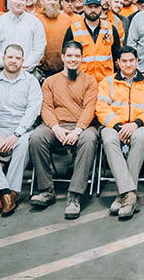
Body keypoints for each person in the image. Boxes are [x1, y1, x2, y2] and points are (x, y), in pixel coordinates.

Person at [29, 41, 99, 219]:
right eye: (69, 56)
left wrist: (77, 130)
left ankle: (74, 195)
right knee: (36, 137)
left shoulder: (90, 81)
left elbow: (89, 108)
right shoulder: (50, 81)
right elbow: (46, 107)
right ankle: (46, 190)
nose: (73, 59)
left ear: (82, 58)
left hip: (82, 127)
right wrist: (55, 127)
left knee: (90, 140)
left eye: (77, 56)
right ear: (63, 57)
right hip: (56, 126)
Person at [96, 46, 144, 219]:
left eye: (131, 60)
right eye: (124, 61)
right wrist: (119, 126)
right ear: (117, 63)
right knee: (109, 139)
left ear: (137, 61)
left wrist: (136, 124)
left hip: (138, 126)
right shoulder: (107, 82)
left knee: (141, 137)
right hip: (113, 127)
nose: (128, 64)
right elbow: (101, 108)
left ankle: (123, 195)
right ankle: (130, 194)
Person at [0, 44, 42, 217]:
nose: (13, 61)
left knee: (22, 146)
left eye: (17, 58)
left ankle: (10, 192)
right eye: (10, 57)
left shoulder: (31, 82)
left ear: (23, 61)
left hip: (23, 129)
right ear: (3, 59)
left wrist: (16, 134)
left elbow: (33, 112)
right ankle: (6, 192)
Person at [0, 0, 46, 74]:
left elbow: (39, 49)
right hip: (3, 71)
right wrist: (8, 67)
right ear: (9, 0)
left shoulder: (35, 23)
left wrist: (25, 66)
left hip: (28, 71)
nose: (18, 2)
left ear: (26, 1)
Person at [63, 0, 121, 83]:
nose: (93, 10)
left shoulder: (110, 29)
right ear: (84, 7)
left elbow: (117, 57)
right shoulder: (73, 30)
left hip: (105, 82)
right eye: (89, 7)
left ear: (101, 8)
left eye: (96, 7)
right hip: (80, 81)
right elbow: (66, 59)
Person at [35, 0, 71, 78]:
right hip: (39, 71)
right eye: (49, 0)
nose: (52, 2)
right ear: (41, 1)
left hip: (63, 71)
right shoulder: (34, 20)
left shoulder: (66, 19)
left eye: (55, 0)